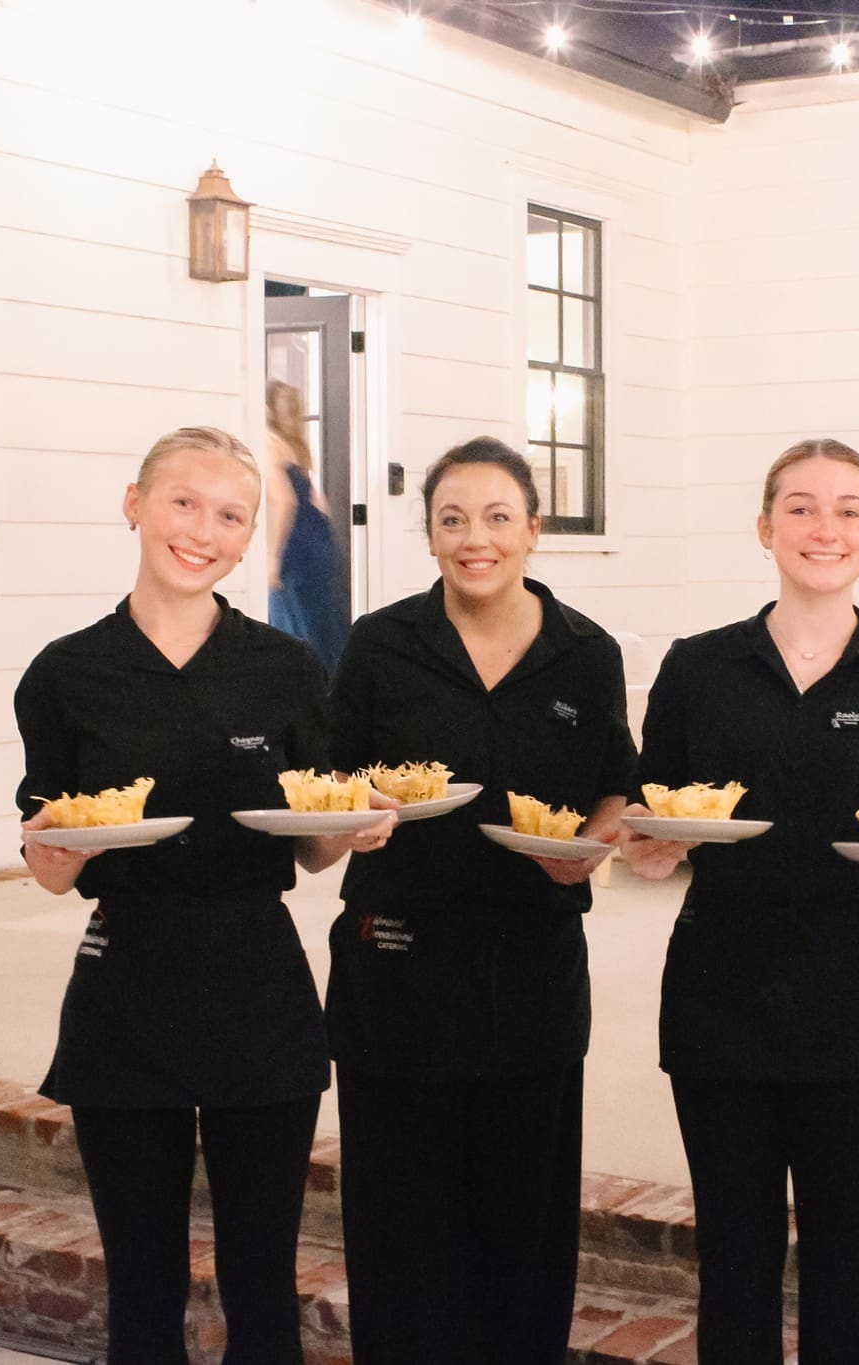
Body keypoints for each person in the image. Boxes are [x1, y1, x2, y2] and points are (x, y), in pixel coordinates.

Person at [12, 425, 393, 1365]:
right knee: (141, 1280)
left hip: (257, 984)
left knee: (262, 1276)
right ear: (134, 503)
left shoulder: (290, 671)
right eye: (184, 501)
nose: (204, 531)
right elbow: (52, 856)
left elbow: (309, 849)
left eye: (233, 515)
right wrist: (49, 850)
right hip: (123, 984)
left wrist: (350, 828)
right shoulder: (66, 673)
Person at [619, 438, 859, 1365]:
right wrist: (649, 854)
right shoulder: (697, 669)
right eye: (802, 506)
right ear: (765, 526)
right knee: (733, 1255)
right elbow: (651, 821)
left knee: (847, 1255)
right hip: (718, 989)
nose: (827, 528)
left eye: (849, 509)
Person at [321, 436, 636, 1365]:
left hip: (532, 964)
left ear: (534, 529)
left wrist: (591, 846)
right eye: (452, 519)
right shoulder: (381, 645)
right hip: (396, 958)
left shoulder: (586, 653)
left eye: (498, 517)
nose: (475, 539)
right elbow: (331, 782)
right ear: (427, 536)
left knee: (525, 1224)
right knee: (398, 1227)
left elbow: (616, 783)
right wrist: (355, 814)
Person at [265, 380, 346, 671]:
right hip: (319, 539)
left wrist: (272, 556)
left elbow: (283, 500)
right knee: (321, 622)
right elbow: (319, 502)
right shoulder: (295, 444)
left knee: (290, 623)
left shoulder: (265, 441)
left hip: (294, 544)